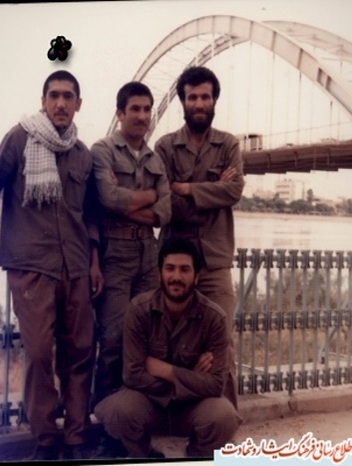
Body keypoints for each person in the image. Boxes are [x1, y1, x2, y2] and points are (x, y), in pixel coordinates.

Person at [0, 70, 102, 461]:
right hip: (32, 267)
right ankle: (46, 438)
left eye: (68, 96)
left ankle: (76, 437)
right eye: (54, 95)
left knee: (80, 352)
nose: (61, 103)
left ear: (79, 104)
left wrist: (94, 260)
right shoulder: (19, 139)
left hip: (76, 267)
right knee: (39, 354)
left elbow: (90, 215)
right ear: (43, 101)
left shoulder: (83, 154)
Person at [94, 238, 241, 459]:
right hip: (150, 403)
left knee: (224, 417)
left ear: (196, 276)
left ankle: (195, 458)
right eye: (170, 268)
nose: (176, 277)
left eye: (185, 270)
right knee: (119, 411)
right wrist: (191, 378)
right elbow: (132, 375)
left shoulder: (214, 318)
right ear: (160, 274)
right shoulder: (139, 310)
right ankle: (145, 457)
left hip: (193, 407)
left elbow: (216, 384)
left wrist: (167, 371)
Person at [154, 66, 244, 408]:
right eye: (192, 97)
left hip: (215, 261)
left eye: (205, 96)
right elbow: (167, 201)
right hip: (175, 263)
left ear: (214, 100)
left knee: (221, 342)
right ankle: (175, 413)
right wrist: (212, 190)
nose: (199, 103)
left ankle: (224, 417)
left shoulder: (228, 144)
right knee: (172, 342)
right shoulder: (165, 146)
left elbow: (234, 191)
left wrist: (188, 188)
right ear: (182, 101)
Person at [91, 81, 171, 406]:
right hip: (115, 253)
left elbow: (165, 212)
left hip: (148, 255)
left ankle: (135, 411)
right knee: (113, 339)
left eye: (147, 109)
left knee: (145, 337)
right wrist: (149, 196)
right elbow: (107, 198)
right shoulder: (103, 150)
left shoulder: (155, 159)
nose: (142, 116)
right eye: (134, 109)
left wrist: (128, 206)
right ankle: (105, 412)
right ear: (120, 113)